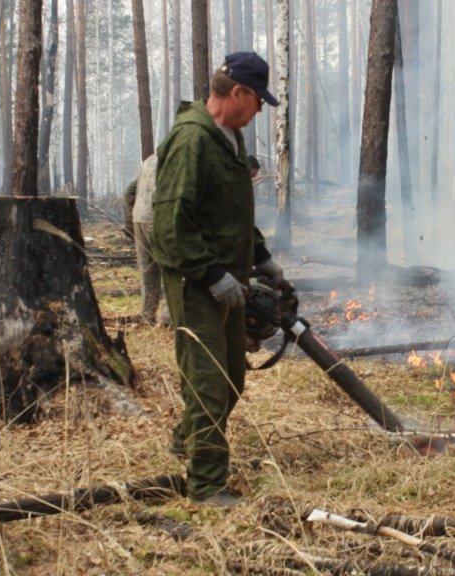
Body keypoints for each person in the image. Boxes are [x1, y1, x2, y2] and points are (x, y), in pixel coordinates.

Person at [150, 52, 285, 507]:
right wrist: (210, 274)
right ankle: (207, 486)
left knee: (231, 379)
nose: (260, 110)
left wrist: (261, 258)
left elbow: (230, 213)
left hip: (229, 278)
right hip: (196, 282)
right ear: (237, 93)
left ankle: (185, 441)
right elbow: (169, 222)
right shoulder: (192, 140)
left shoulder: (229, 138)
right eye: (257, 100)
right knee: (208, 381)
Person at [123, 154, 170, 326]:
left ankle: (147, 317)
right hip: (161, 218)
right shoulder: (176, 157)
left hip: (139, 217)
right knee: (170, 267)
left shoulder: (149, 160)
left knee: (147, 270)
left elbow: (129, 191)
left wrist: (129, 224)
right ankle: (167, 319)